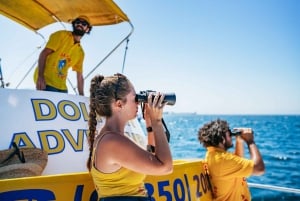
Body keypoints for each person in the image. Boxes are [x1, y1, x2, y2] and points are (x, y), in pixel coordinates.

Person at [86, 73, 173, 201]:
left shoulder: (113, 138)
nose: (138, 103)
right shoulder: (111, 142)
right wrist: (157, 122)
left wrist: (150, 125)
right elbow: (165, 167)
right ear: (119, 104)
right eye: (135, 98)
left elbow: (150, 159)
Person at [197, 119, 265, 201]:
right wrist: (250, 141)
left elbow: (236, 164)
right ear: (222, 139)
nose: (231, 136)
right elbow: (259, 168)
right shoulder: (223, 160)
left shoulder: (213, 155)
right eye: (229, 133)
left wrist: (239, 141)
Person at [34, 15, 92, 95]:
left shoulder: (80, 52)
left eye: (84, 24)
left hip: (62, 87)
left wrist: (81, 96)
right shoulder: (61, 35)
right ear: (74, 24)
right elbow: (44, 54)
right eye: (77, 22)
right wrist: (40, 77)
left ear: (87, 29)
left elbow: (79, 76)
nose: (80, 25)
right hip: (46, 81)